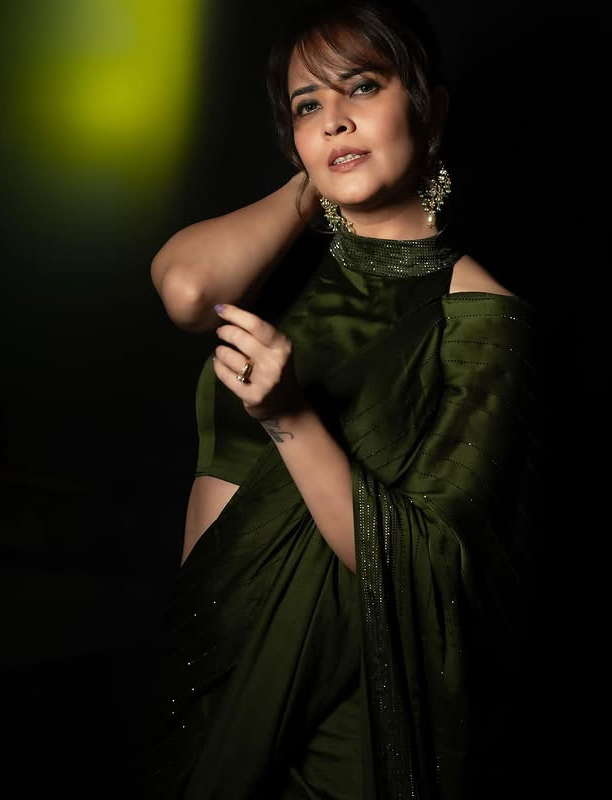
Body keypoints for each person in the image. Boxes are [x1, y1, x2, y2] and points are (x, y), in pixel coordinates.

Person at [139, 1, 542, 797]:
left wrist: (289, 418)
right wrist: (317, 183)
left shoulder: (480, 316)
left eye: (362, 87)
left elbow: (440, 573)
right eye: (307, 105)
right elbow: (185, 290)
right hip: (207, 668)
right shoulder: (280, 264)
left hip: (337, 710)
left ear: (429, 108)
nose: (334, 120)